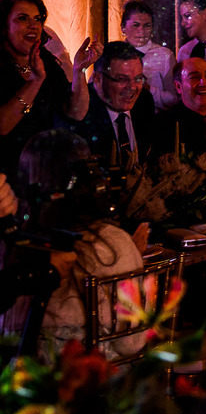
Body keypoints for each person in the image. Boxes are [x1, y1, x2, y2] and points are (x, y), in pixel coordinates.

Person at [12, 130, 149, 360]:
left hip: (24, 382)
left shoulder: (13, 245)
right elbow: (131, 343)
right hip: (92, 382)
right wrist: (132, 253)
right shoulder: (112, 245)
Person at [0, 0, 101, 174]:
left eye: (37, 19)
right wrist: (35, 81)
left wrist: (79, 70)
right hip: (5, 176)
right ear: (3, 26)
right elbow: (2, 126)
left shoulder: (45, 59)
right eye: (23, 18)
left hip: (43, 171)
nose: (33, 25)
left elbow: (75, 113)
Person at [72, 41, 156, 166]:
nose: (132, 87)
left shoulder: (144, 101)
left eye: (138, 79)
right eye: (122, 79)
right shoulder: (83, 109)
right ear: (98, 79)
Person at [121, 0, 177, 110]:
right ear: (123, 28)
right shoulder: (112, 55)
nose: (142, 30)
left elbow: (175, 99)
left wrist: (148, 89)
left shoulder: (165, 56)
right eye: (135, 25)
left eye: (147, 25)